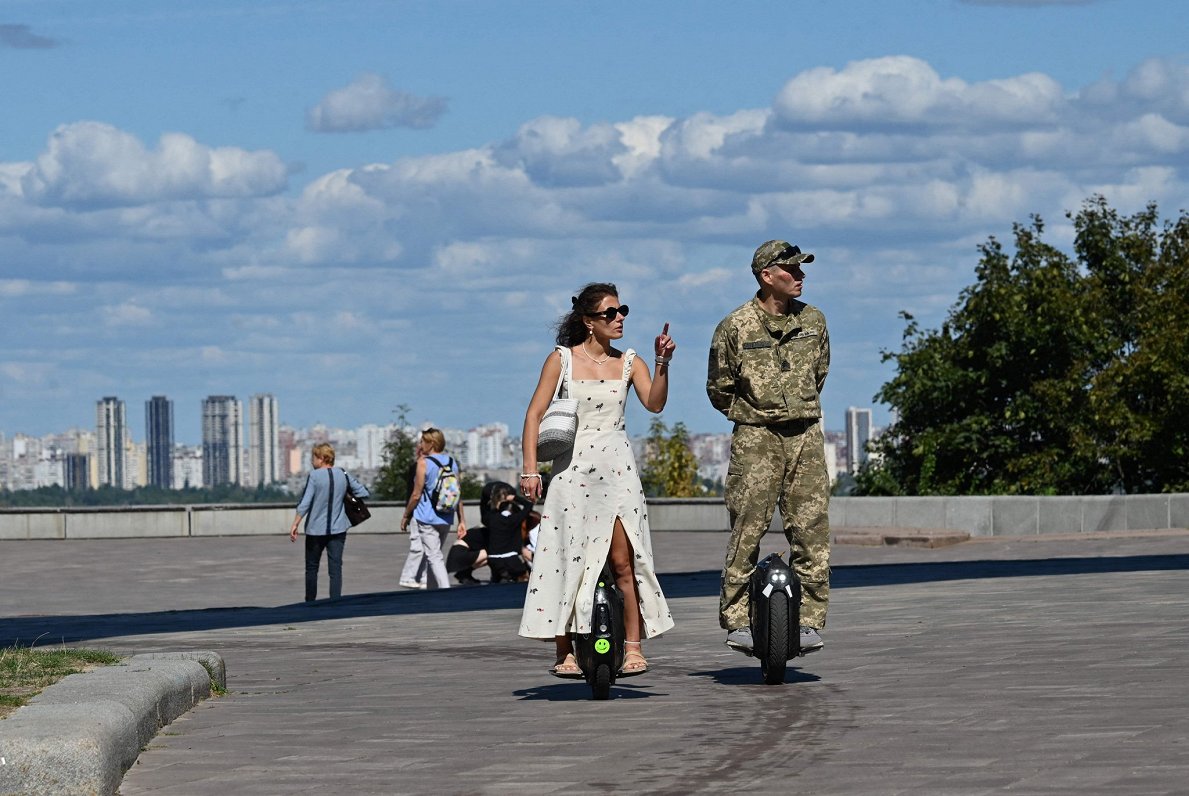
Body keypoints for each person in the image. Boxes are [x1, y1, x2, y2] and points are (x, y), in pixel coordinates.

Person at [519, 282, 676, 678]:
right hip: (572, 471)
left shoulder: (630, 362)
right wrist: (530, 469)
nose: (619, 318)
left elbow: (654, 404)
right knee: (564, 561)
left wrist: (662, 363)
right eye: (610, 313)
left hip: (618, 469)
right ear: (589, 321)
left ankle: (634, 648)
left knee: (625, 562)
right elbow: (534, 415)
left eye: (622, 311)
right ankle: (564, 651)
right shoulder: (561, 361)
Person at [706, 240, 832, 655]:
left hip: (805, 436)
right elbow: (720, 387)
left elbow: (820, 373)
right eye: (791, 270)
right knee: (747, 529)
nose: (801, 276)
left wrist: (796, 407)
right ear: (766, 275)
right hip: (756, 437)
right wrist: (757, 412)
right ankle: (738, 620)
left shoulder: (813, 321)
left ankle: (810, 622)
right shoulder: (736, 326)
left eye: (801, 269)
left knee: (811, 529)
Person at [288, 443, 371, 602]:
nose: (312, 461)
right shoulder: (342, 473)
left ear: (322, 458)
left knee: (312, 568)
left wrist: (295, 523)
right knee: (335, 569)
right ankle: (335, 603)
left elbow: (305, 503)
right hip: (338, 528)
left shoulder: (314, 476)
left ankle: (310, 602)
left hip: (315, 530)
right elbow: (363, 492)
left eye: (313, 457)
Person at [400, 428, 468, 590]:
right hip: (446, 516)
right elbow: (457, 493)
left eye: (423, 441)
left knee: (434, 556)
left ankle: (445, 591)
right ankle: (432, 592)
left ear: (431, 443)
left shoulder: (423, 463)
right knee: (434, 555)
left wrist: (406, 515)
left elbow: (416, 494)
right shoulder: (451, 462)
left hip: (426, 517)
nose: (420, 444)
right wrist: (461, 521)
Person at [483, 483, 535, 583]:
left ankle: (502, 576)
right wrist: (515, 498)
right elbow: (529, 505)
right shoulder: (513, 519)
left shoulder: (490, 518)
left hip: (494, 560)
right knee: (524, 579)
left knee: (498, 580)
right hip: (511, 559)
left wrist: (496, 502)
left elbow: (487, 508)